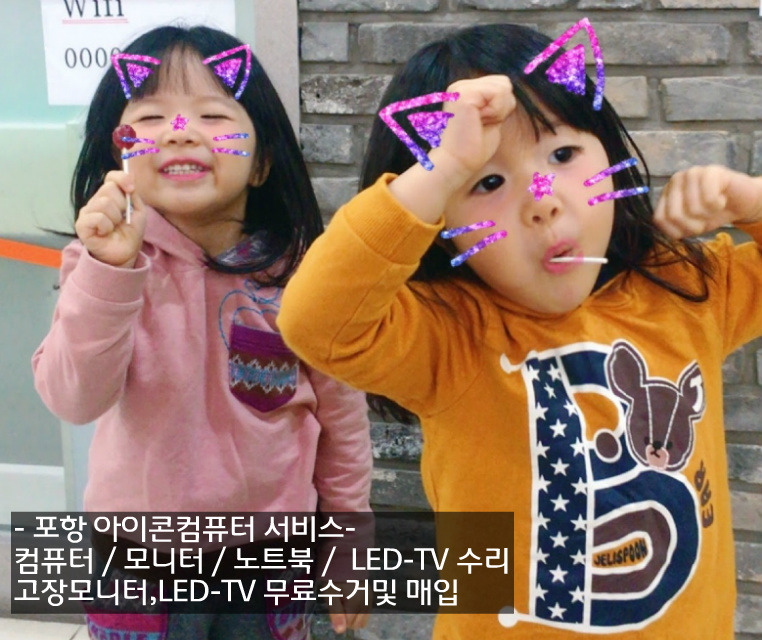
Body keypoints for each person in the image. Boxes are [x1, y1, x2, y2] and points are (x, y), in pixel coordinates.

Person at [278, 22, 762, 639]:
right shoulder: (447, 335)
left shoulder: (687, 287)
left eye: (562, 155)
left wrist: (753, 202)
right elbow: (313, 321)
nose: (543, 200)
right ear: (441, 229)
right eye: (486, 182)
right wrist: (441, 169)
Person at [32, 25, 372, 640]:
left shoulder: (301, 276)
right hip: (135, 561)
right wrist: (111, 271)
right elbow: (73, 399)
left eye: (213, 115)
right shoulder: (100, 265)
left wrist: (348, 536)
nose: (180, 131)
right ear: (119, 156)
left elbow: (342, 418)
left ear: (262, 160)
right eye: (151, 117)